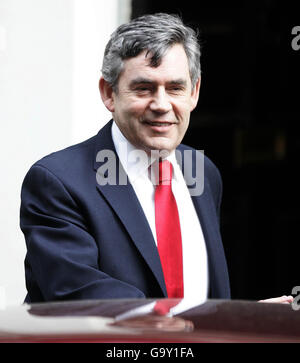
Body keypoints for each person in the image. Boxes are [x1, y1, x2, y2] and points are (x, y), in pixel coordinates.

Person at [20, 13, 291, 304]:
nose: (161, 105)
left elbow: (209, 297)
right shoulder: (57, 181)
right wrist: (205, 324)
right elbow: (80, 296)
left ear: (194, 93)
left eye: (175, 88)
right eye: (144, 88)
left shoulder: (202, 172)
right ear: (109, 93)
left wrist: (238, 323)